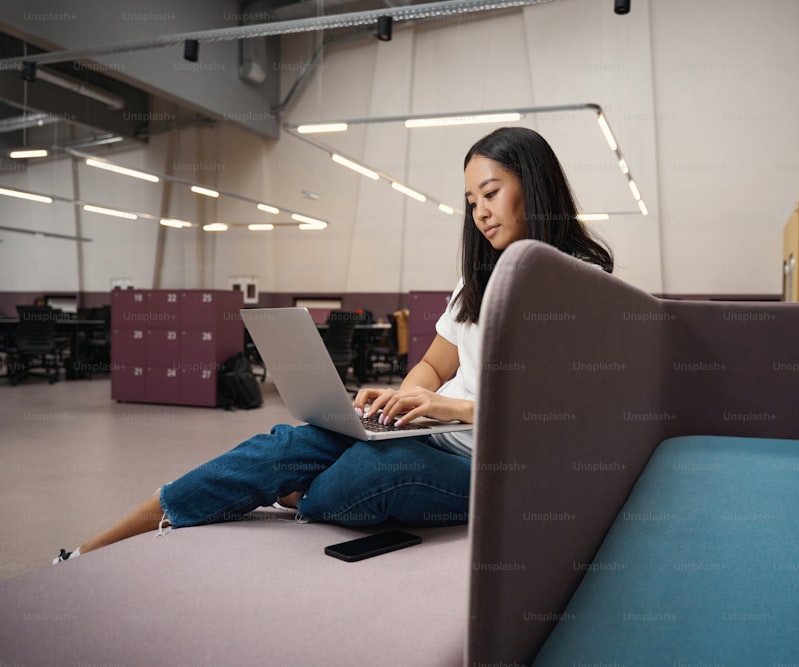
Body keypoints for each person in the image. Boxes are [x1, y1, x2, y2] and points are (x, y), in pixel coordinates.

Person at [54, 126, 613, 563]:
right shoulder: (479, 275)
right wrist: (406, 401)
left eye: (490, 193)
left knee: (369, 473)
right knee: (283, 445)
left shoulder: (582, 279)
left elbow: (566, 412)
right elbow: (431, 364)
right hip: (436, 437)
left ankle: (303, 492)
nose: (480, 212)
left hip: (504, 466)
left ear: (532, 185)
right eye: (471, 201)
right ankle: (91, 550)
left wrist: (456, 408)